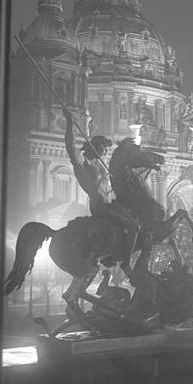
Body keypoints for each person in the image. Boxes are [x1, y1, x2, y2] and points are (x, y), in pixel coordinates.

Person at [64, 108, 140, 277]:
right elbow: (70, 147)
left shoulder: (100, 165)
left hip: (109, 203)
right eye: (104, 148)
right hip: (100, 206)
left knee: (135, 217)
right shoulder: (84, 164)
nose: (106, 152)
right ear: (96, 147)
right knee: (132, 226)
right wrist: (70, 123)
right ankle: (126, 264)